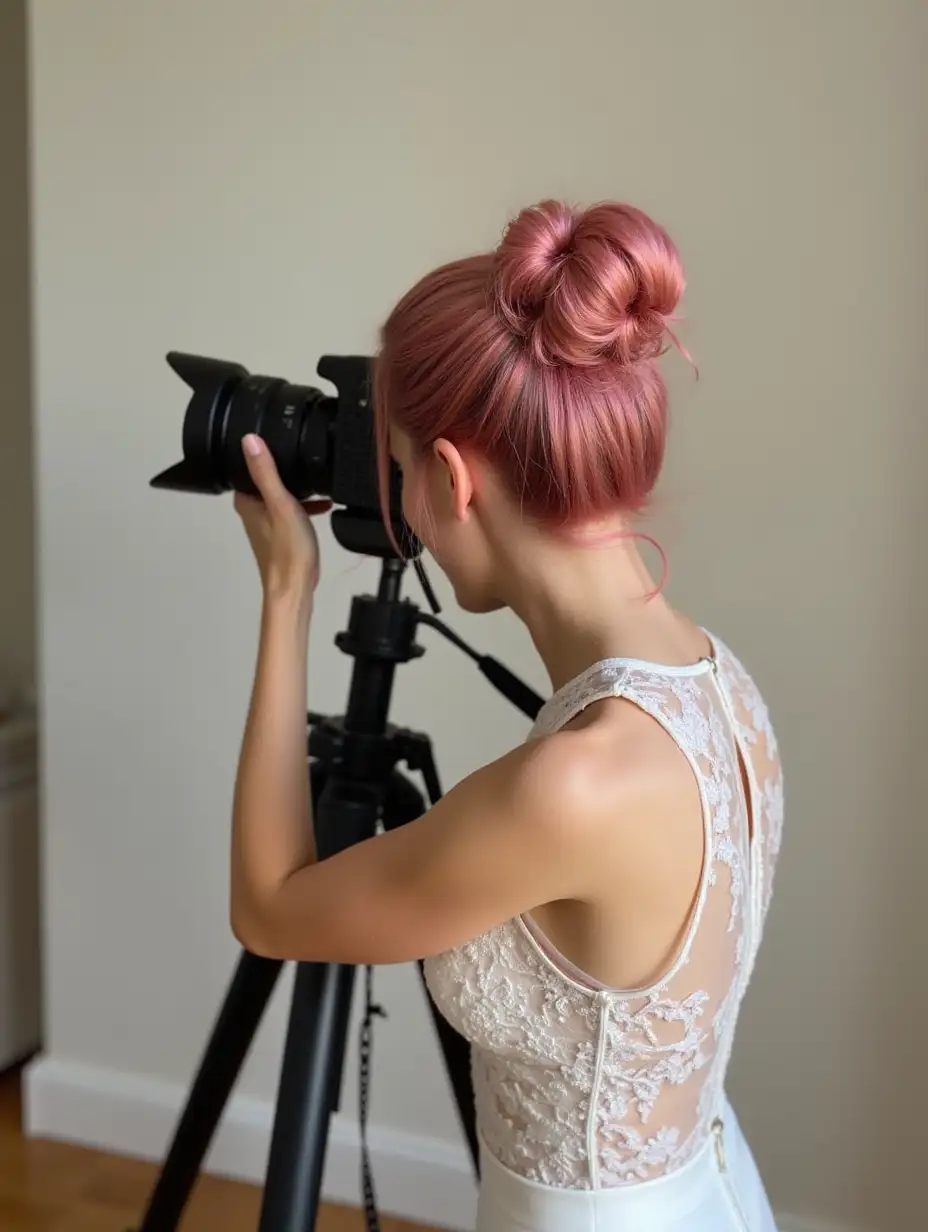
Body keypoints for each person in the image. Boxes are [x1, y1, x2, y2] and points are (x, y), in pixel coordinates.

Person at [229, 199, 783, 1232]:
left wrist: (283, 597)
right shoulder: (718, 680)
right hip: (710, 1188)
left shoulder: (574, 784)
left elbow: (270, 906)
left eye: (398, 470)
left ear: (450, 475)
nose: (400, 509)